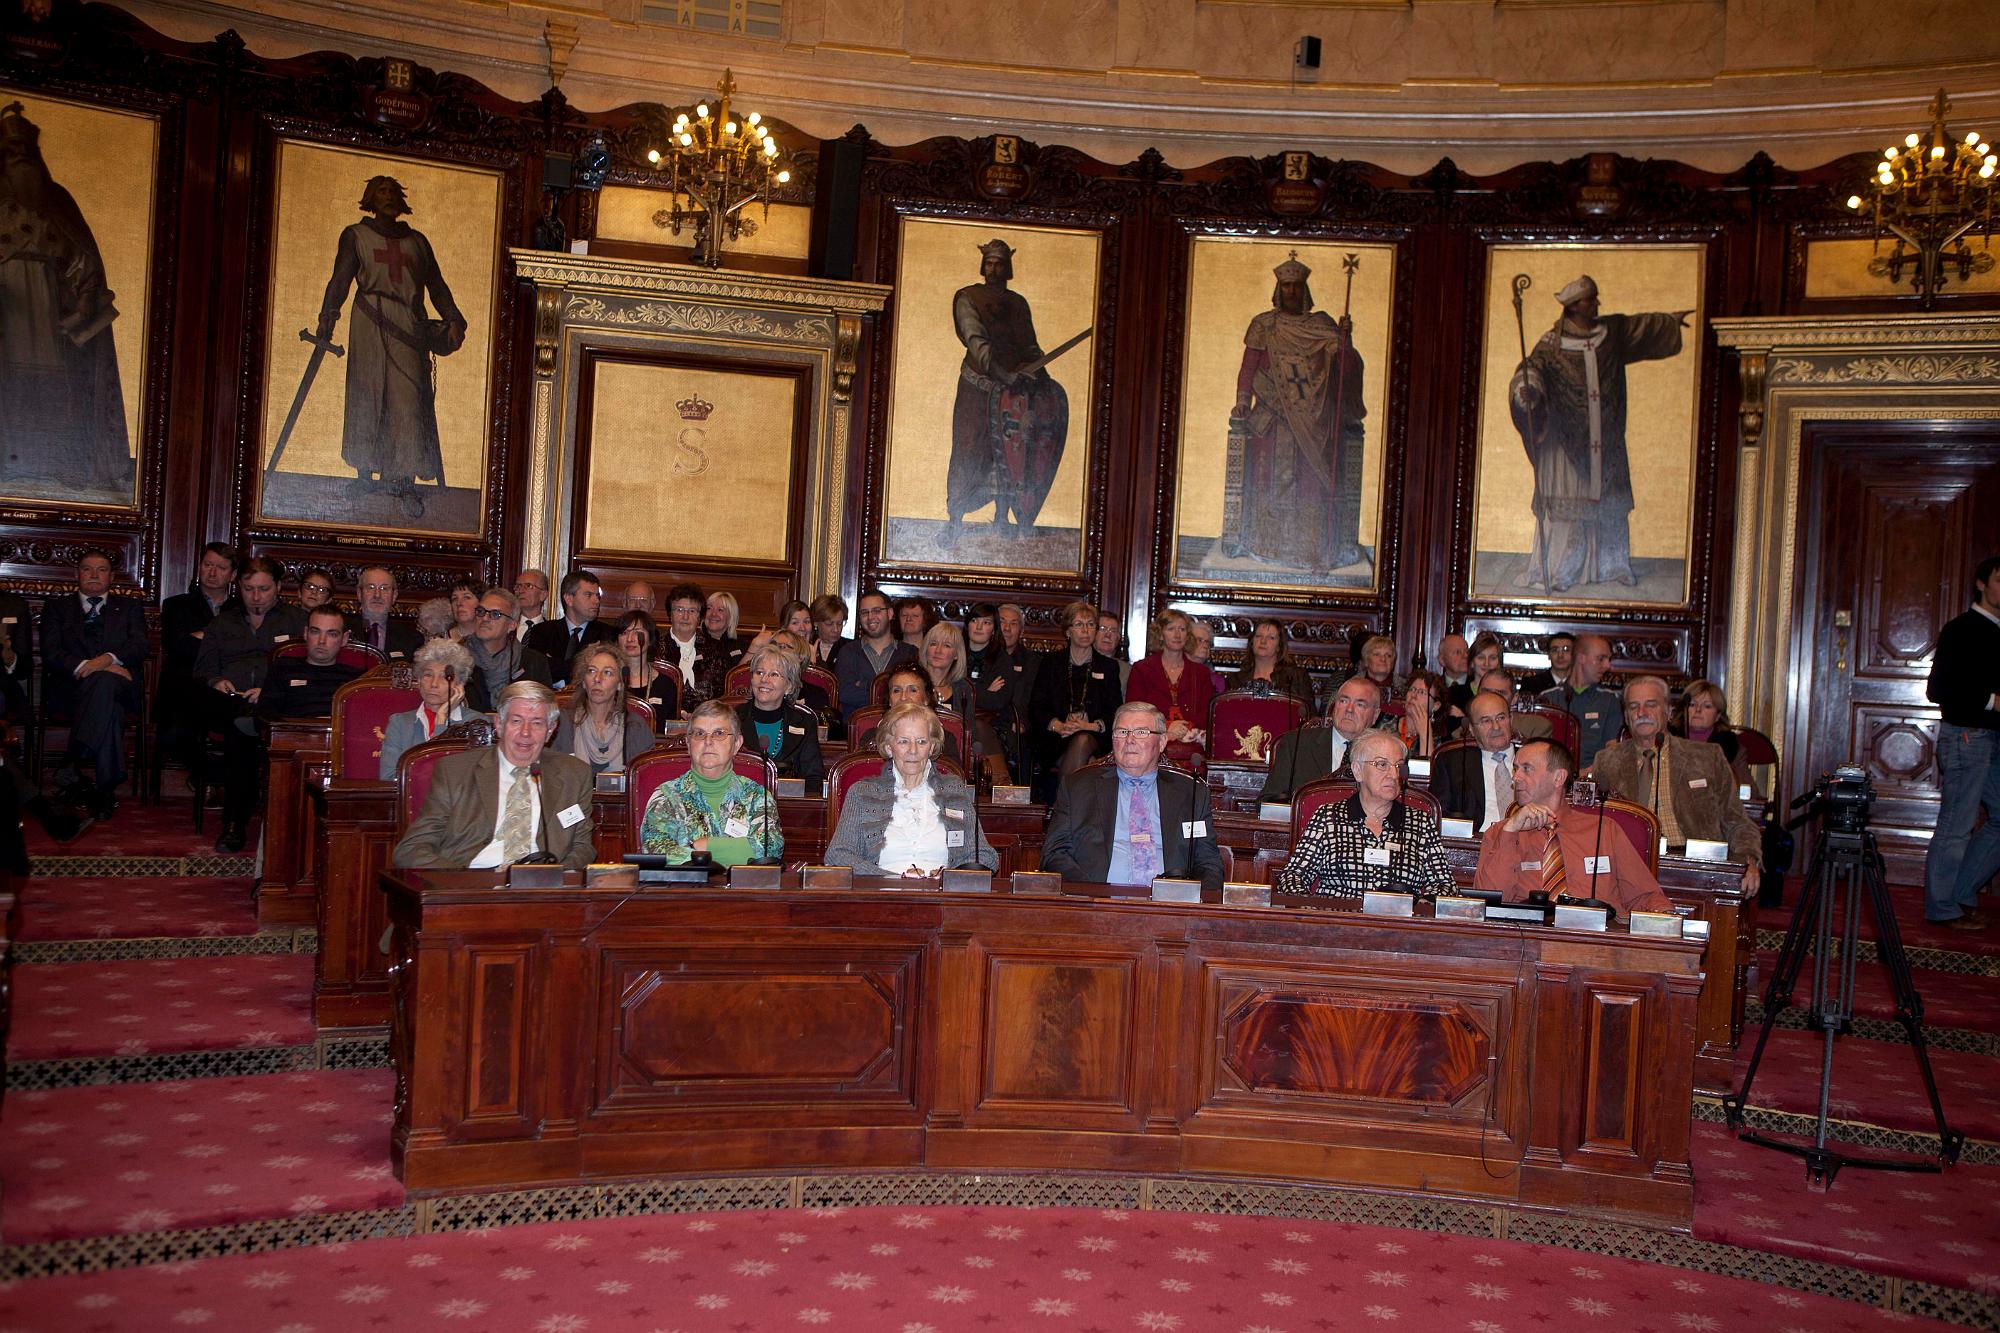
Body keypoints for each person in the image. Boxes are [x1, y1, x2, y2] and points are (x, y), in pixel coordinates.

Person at [1508, 274, 1691, 592]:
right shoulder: (1551, 345)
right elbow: (1531, 369)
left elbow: (1642, 328)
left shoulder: (1611, 334)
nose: (1597, 303)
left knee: (1608, 502)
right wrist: (1527, 388)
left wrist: (1670, 323)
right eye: (1592, 299)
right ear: (1576, 306)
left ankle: (1611, 564)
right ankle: (1562, 570)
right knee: (1572, 507)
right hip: (1567, 440)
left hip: (1606, 436)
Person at [0, 101, 134, 503]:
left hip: (50, 308)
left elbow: (82, 258)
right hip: (8, 313)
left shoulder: (56, 201)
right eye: (11, 152)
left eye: (27, 150)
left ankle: (60, 462)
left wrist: (84, 300)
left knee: (56, 388)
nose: (21, 157)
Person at [313, 174, 467, 517]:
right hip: (369, 321)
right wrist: (328, 314)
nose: (388, 197)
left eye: (394, 192)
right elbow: (340, 279)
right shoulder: (357, 235)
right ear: (370, 197)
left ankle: (404, 481)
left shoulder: (417, 242)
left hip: (408, 326)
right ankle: (365, 475)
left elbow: (437, 286)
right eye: (381, 191)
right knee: (367, 395)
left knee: (407, 401)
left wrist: (454, 317)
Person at [1227, 250, 1367, 571]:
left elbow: (1343, 367)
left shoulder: (1322, 326)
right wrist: (1242, 400)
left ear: (1304, 291)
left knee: (1310, 483)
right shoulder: (1264, 325)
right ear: (1279, 290)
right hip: (1272, 421)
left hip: (1313, 423)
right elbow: (1248, 367)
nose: (1291, 292)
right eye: (1286, 286)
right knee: (1266, 478)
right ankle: (1266, 545)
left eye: (1296, 287)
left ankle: (1310, 550)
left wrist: (1345, 342)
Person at [942, 238, 1068, 546]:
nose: (994, 269)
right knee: (970, 451)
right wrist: (999, 372)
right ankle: (955, 519)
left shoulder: (1018, 303)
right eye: (990, 263)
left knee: (1012, 455)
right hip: (979, 388)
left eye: (1000, 263)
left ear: (1008, 267)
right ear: (983, 266)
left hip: (1014, 394)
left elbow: (1028, 344)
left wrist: (1040, 373)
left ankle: (1004, 519)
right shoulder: (967, 298)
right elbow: (976, 340)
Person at [392, 681, 594, 870]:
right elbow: (411, 848)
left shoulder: (574, 774)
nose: (525, 733)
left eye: (537, 723)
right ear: (499, 724)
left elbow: (582, 847)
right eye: (516, 721)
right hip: (471, 884)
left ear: (551, 730)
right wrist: (458, 882)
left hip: (542, 890)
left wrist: (553, 877)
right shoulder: (454, 771)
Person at [1591, 675, 1762, 895]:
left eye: (1651, 705)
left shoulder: (1707, 757)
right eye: (1634, 707)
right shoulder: (1606, 761)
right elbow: (1592, 824)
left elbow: (1736, 821)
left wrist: (1749, 859)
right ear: (1626, 716)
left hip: (1694, 869)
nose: (1641, 713)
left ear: (1669, 712)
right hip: (1627, 867)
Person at [218, 606, 365, 851]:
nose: (321, 641)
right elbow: (264, 714)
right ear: (305, 633)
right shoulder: (284, 668)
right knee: (240, 734)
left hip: (336, 748)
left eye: (331, 634)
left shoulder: (354, 678)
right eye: (316, 631)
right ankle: (235, 825)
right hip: (288, 748)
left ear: (344, 639)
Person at [1473, 738, 1670, 920]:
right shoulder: (1501, 832)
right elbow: (1486, 906)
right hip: (1527, 943)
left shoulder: (1604, 829)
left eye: (1527, 769)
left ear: (1558, 778)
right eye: (1515, 768)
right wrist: (1511, 831)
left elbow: (1645, 896)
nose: (1515, 777)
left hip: (1597, 943)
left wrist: (1666, 919)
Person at [1040, 702, 1224, 892]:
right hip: (1097, 906)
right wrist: (1089, 894)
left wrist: (1191, 904)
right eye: (1121, 732)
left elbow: (1208, 862)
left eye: (1141, 732)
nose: (1129, 740)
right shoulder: (1078, 787)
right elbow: (1054, 854)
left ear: (1161, 742)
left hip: (1169, 908)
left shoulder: (1190, 792)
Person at [1275, 731, 1454, 900]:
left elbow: (1445, 885)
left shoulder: (1420, 823)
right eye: (1382, 764)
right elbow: (1293, 876)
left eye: (1399, 766)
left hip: (1399, 926)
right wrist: (1312, 911)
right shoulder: (1328, 817)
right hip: (1337, 923)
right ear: (1357, 770)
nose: (1393, 774)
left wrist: (1425, 904)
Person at [824, 703, 998, 877]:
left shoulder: (953, 790)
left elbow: (985, 856)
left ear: (931, 747)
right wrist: (893, 878)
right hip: (880, 896)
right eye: (903, 741)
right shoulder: (863, 792)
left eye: (921, 741)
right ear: (888, 747)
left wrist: (946, 879)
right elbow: (837, 855)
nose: (913, 750)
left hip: (940, 897)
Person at [192, 558, 304, 824]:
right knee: (237, 720)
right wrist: (215, 681)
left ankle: (234, 821)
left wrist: (267, 690)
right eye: (248, 588)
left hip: (276, 704)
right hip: (229, 701)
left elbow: (303, 671)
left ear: (277, 587)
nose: (256, 596)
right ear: (238, 587)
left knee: (239, 729)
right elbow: (202, 670)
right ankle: (237, 816)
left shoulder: (298, 621)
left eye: (263, 589)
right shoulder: (222, 623)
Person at [40, 549, 149, 816]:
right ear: (77, 574)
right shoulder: (57, 607)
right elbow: (51, 652)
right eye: (87, 569)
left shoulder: (130, 607)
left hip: (122, 689)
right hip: (70, 690)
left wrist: (107, 659)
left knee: (106, 686)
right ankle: (104, 790)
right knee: (109, 706)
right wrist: (92, 667)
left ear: (111, 577)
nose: (94, 575)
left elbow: (139, 645)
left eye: (101, 569)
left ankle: (72, 760)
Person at [1924, 555, 2000, 929]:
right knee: (1956, 823)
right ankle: (1942, 907)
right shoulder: (1962, 630)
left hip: (1992, 738)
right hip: (1967, 736)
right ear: (1982, 585)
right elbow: (1937, 689)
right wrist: (1991, 700)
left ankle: (1959, 894)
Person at [638, 701, 780, 867]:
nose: (708, 741)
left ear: (737, 744)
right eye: (699, 733)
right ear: (689, 744)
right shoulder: (665, 797)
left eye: (719, 733)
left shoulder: (757, 797)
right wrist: (736, 852)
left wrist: (703, 847)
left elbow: (770, 850)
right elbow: (657, 851)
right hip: (685, 891)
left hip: (743, 891)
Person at [157, 542, 238, 773]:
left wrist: (201, 636)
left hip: (226, 686)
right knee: (175, 732)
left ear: (232, 575)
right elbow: (177, 647)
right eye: (207, 565)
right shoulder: (176, 605)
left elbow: (238, 651)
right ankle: (206, 772)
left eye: (221, 568)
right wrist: (218, 639)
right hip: (184, 686)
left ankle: (213, 774)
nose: (212, 573)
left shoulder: (240, 609)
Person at [1028, 600, 1122, 799]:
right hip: (1056, 736)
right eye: (1079, 624)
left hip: (1095, 736)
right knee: (1079, 756)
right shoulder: (1051, 663)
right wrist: (1059, 726)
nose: (1086, 630)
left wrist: (1089, 726)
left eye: (1090, 624)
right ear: (1068, 631)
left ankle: (1062, 810)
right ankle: (1071, 813)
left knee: (1082, 741)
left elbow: (1115, 709)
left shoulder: (1108, 667)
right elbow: (1037, 706)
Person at [1259, 676, 1382, 805]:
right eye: (1343, 701)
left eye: (1360, 704)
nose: (1349, 710)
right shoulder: (1296, 744)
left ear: (1375, 715)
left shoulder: (1384, 754)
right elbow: (1267, 802)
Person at [378, 636, 476, 779]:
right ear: (418, 680)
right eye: (428, 675)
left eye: (444, 676)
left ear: (460, 684)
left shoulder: (475, 723)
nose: (434, 683)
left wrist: (441, 720)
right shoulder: (399, 722)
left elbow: (469, 782)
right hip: (409, 801)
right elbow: (388, 777)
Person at [552, 644, 655, 778]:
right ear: (583, 682)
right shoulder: (561, 724)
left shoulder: (636, 727)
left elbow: (644, 781)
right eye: (591, 671)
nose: (597, 679)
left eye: (607, 672)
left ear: (620, 684)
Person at [1125, 608, 1216, 754]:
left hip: (1191, 746)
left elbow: (1208, 713)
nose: (1177, 635)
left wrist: (1184, 727)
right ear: (1160, 635)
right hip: (1150, 743)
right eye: (1171, 629)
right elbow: (1134, 711)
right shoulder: (1142, 669)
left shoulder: (1200, 673)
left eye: (1182, 629)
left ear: (1188, 635)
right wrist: (1166, 726)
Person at [1429, 691, 1521, 833]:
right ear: (1471, 729)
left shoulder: (1533, 758)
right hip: (1477, 843)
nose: (1496, 727)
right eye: (1486, 721)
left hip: (1524, 843)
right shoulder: (1453, 763)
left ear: (1511, 719)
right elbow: (1439, 816)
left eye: (1501, 718)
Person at [733, 644, 823, 785]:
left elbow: (813, 778)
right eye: (759, 673)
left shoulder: (804, 722)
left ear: (789, 686)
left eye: (774, 674)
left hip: (788, 803)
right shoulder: (733, 718)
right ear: (751, 679)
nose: (764, 680)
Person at [854, 667, 964, 769]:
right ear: (890, 700)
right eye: (896, 690)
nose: (903, 697)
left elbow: (952, 778)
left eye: (912, 690)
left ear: (926, 699)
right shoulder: (872, 736)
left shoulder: (944, 738)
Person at [463, 589, 552, 713]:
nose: (485, 618)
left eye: (495, 614)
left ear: (512, 625)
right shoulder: (457, 658)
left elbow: (543, 710)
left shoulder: (533, 662)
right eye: (481, 611)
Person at [1536, 632, 1618, 767]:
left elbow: (1612, 751)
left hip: (1593, 779)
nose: (1607, 666)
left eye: (1608, 660)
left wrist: (1585, 775)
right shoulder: (1548, 698)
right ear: (1581, 658)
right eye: (1601, 659)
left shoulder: (1609, 700)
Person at [835, 590, 915, 723]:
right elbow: (845, 694)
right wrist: (891, 692)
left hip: (901, 729)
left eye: (877, 610)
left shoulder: (910, 653)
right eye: (865, 612)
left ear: (890, 613)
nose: (870, 617)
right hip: (857, 732)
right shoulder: (848, 652)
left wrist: (864, 684)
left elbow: (914, 695)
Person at [526, 570, 612, 689]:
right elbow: (537, 671)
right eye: (588, 595)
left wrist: (555, 664)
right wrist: (584, 661)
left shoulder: (608, 634)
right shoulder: (542, 631)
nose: (596, 601)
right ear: (569, 599)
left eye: (597, 595)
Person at [962, 602, 1018, 784]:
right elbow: (949, 691)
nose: (979, 627)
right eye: (974, 620)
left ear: (994, 630)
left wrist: (968, 689)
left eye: (986, 623)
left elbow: (997, 702)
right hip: (955, 719)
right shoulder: (954, 652)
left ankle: (1001, 783)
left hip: (994, 725)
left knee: (978, 727)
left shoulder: (1003, 660)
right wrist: (983, 690)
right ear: (967, 624)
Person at [1671, 679, 1756, 794]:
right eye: (1692, 704)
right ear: (1684, 711)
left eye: (1707, 706)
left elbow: (1748, 791)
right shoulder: (1669, 738)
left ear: (1718, 716)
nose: (1698, 710)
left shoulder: (1729, 745)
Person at [1226, 618, 1316, 707]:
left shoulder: (1296, 677)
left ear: (1279, 646)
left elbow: (1309, 715)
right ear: (1252, 643)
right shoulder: (1234, 680)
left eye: (1271, 638)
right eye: (1258, 636)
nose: (1263, 641)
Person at [614, 609, 679, 721]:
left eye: (637, 633)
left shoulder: (666, 685)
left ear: (650, 640)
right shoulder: (607, 680)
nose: (630, 639)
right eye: (624, 633)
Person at [347, 565, 420, 660]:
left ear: (394, 596)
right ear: (359, 594)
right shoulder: (342, 631)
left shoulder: (412, 638)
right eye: (371, 587)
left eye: (384, 588)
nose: (377, 595)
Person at [661, 583, 713, 703]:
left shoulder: (716, 650)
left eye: (692, 611)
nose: (685, 616)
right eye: (679, 610)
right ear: (670, 614)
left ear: (700, 617)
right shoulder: (654, 649)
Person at [696, 590, 746, 700]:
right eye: (709, 608)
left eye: (720, 610)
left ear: (731, 616)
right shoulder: (693, 644)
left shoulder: (743, 647)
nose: (713, 614)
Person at [920, 621, 974, 717]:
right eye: (933, 643)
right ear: (925, 649)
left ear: (957, 654)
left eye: (946, 645)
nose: (938, 651)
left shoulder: (963, 688)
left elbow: (968, 729)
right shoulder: (911, 681)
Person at [1396, 669, 1449, 760]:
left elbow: (1427, 772)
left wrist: (1425, 733)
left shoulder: (1439, 741)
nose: (1414, 695)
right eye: (1412, 689)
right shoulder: (1385, 723)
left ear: (1436, 706)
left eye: (1422, 692)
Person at [1517, 631, 1575, 697]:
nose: (1560, 655)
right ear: (1549, 655)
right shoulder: (1531, 684)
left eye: (1566, 649)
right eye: (1555, 650)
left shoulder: (1582, 684)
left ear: (1575, 654)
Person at [1184, 615, 1229, 695]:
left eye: (1207, 642)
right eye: (1200, 640)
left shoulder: (1218, 681)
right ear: (1187, 641)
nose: (1205, 646)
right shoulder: (1174, 672)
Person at [1349, 634, 1399, 702]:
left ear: (1393, 662)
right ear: (1366, 660)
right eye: (1377, 654)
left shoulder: (1406, 687)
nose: (1383, 659)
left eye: (1388, 655)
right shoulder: (1350, 686)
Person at [806, 594, 849, 672]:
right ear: (816, 622)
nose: (836, 629)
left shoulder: (850, 647)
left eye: (839, 624)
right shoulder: (806, 645)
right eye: (829, 624)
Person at [1094, 612, 1131, 694]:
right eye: (1103, 629)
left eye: (1113, 631)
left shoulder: (1127, 671)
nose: (1108, 635)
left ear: (1118, 638)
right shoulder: (1082, 664)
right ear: (1093, 633)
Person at [1438, 633, 1473, 713]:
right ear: (1442, 660)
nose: (1465, 656)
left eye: (1467, 651)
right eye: (1458, 652)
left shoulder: (1477, 686)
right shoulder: (1434, 687)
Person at [512, 570, 550, 640]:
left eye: (528, 586)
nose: (520, 591)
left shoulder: (552, 632)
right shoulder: (506, 627)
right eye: (518, 586)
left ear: (543, 595)